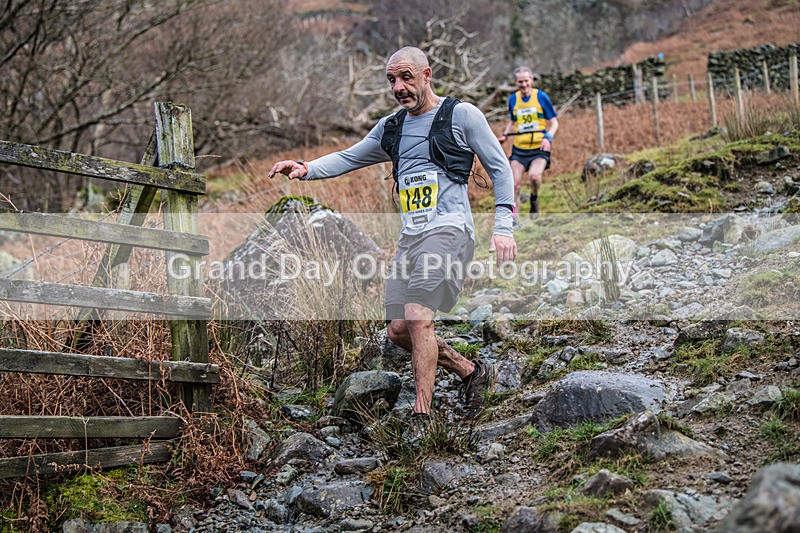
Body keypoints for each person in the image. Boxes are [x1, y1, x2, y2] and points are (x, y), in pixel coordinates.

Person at [269, 46, 517, 434]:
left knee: (419, 315)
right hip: (411, 238)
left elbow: (500, 168)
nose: (398, 87)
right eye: (391, 80)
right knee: (399, 331)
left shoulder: (461, 115)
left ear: (426, 74)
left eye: (406, 77)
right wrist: (306, 167)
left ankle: (423, 416)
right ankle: (472, 372)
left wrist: (504, 226)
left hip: (450, 229)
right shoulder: (392, 127)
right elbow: (351, 156)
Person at [497, 66, 558, 218]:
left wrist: (548, 137)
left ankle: (534, 199)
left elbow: (554, 123)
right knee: (514, 184)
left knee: (534, 177)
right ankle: (514, 218)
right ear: (515, 83)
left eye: (526, 81)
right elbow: (513, 121)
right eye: (520, 82)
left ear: (531, 80)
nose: (523, 85)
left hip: (539, 147)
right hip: (519, 149)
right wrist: (505, 135)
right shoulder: (513, 99)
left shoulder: (541, 97)